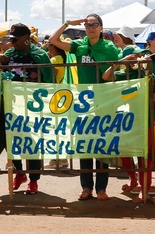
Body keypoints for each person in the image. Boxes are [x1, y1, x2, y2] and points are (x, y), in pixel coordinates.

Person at [49, 14, 121, 201]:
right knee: (85, 146)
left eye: (94, 24)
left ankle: (101, 189)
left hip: (105, 101)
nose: (90, 28)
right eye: (87, 25)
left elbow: (119, 67)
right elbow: (53, 40)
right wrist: (68, 23)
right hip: (84, 102)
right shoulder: (79, 46)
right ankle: (86, 187)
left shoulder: (109, 48)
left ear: (101, 27)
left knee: (102, 147)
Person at [0, 23, 53, 194]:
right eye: (11, 39)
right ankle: (19, 172)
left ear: (26, 38)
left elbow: (50, 80)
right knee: (10, 141)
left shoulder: (40, 55)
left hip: (31, 107)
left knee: (32, 143)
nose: (12, 43)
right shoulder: (9, 54)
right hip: (9, 104)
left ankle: (34, 180)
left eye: (15, 39)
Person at [102, 45, 154, 203]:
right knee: (125, 152)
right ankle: (133, 179)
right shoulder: (121, 74)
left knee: (145, 155)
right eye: (132, 57)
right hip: (126, 120)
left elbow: (153, 90)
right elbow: (105, 77)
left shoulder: (146, 73)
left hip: (145, 118)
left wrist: (147, 66)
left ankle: (144, 190)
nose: (136, 59)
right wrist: (120, 62)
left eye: (139, 56)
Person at [46, 40, 69, 168]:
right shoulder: (59, 58)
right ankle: (60, 159)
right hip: (60, 96)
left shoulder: (56, 59)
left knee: (55, 129)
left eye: (48, 44)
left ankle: (57, 159)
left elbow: (51, 75)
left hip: (56, 96)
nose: (46, 47)